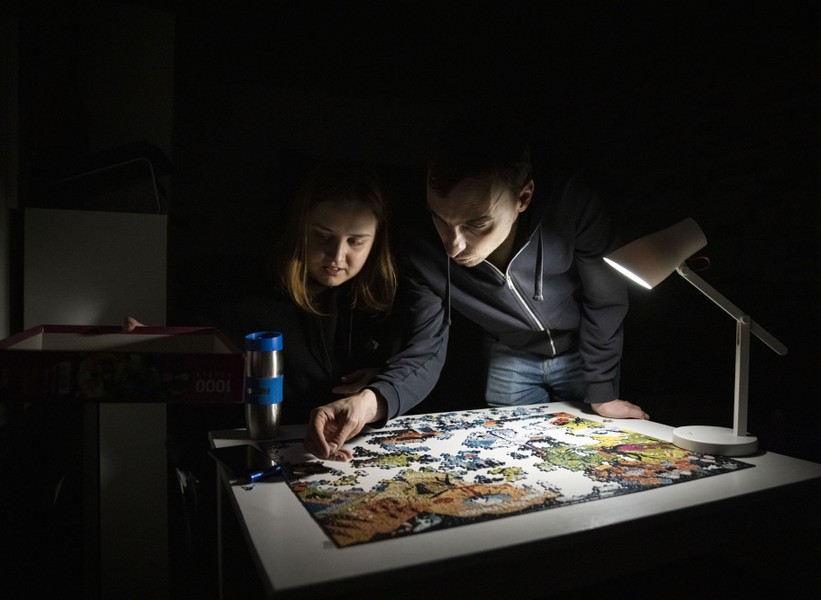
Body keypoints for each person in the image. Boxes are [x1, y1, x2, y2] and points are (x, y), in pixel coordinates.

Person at [305, 109, 648, 461]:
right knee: (518, 459)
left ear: (523, 198)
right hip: (509, 353)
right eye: (440, 219)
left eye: (477, 224)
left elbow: (605, 299)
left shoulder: (572, 205)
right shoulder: (421, 250)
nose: (453, 246)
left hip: (584, 349)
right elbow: (425, 350)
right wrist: (368, 403)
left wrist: (602, 389)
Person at [206, 162, 399, 435]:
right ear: (300, 229)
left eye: (356, 241)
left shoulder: (387, 301)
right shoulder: (245, 299)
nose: (337, 255)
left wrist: (384, 379)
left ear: (376, 240)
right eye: (322, 236)